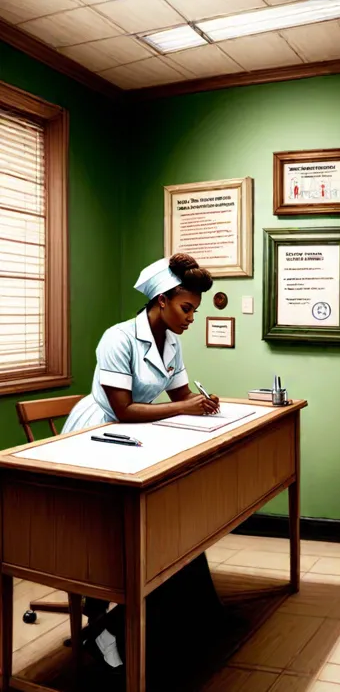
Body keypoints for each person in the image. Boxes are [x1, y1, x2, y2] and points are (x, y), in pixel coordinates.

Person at [62, 253, 224, 675]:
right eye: (186, 308)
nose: (191, 317)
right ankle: (99, 619)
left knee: (163, 518)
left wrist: (200, 405)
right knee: (104, 527)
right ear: (161, 301)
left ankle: (152, 608)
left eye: (194, 309)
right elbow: (123, 410)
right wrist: (186, 408)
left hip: (136, 434)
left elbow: (179, 398)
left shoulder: (172, 340)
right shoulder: (118, 338)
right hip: (99, 432)